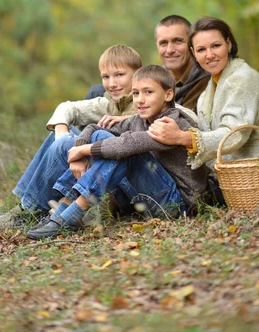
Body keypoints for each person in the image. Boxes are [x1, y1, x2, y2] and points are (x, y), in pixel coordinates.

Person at [26, 65, 209, 240]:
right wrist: (78, 151)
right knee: (101, 134)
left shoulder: (172, 124)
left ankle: (69, 215)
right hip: (147, 196)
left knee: (125, 151)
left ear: (168, 94)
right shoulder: (138, 120)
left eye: (148, 92)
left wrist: (83, 149)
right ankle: (64, 210)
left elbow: (128, 144)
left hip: (176, 205)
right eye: (136, 93)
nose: (140, 100)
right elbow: (93, 127)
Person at [0, 45, 142, 231]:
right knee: (62, 134)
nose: (111, 83)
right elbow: (67, 108)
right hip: (103, 177)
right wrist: (63, 135)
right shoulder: (109, 103)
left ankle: (31, 209)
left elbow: (173, 114)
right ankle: (28, 206)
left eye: (119, 75)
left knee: (82, 140)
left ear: (137, 75)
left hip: (125, 182)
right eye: (105, 77)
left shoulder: (145, 102)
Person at [148, 17, 259, 196]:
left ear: (228, 44)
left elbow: (233, 135)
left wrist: (182, 137)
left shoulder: (243, 80)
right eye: (201, 49)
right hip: (229, 177)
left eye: (216, 46)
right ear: (194, 53)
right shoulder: (211, 88)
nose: (209, 55)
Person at [85, 15, 210, 110]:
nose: (170, 50)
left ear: (191, 44)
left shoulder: (202, 79)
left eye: (178, 41)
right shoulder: (159, 74)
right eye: (163, 43)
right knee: (97, 91)